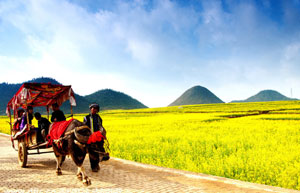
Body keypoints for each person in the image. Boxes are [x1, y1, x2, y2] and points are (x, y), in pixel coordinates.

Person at [84, 103, 109, 172]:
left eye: (95, 108)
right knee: (92, 151)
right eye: (92, 108)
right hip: (90, 136)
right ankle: (93, 167)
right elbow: (85, 127)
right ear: (90, 109)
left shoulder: (98, 118)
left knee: (99, 150)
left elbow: (101, 126)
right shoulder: (86, 117)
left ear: (97, 110)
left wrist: (103, 133)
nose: (93, 109)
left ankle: (97, 163)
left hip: (97, 135)